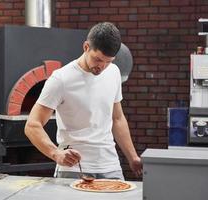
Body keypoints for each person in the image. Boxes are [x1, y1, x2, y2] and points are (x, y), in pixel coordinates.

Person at [25, 22, 142, 180]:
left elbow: (118, 119)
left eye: (109, 61)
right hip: (74, 169)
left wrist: (132, 157)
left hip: (110, 166)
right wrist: (56, 154)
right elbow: (32, 125)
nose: (103, 66)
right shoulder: (61, 79)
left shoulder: (114, 72)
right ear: (86, 47)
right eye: (98, 59)